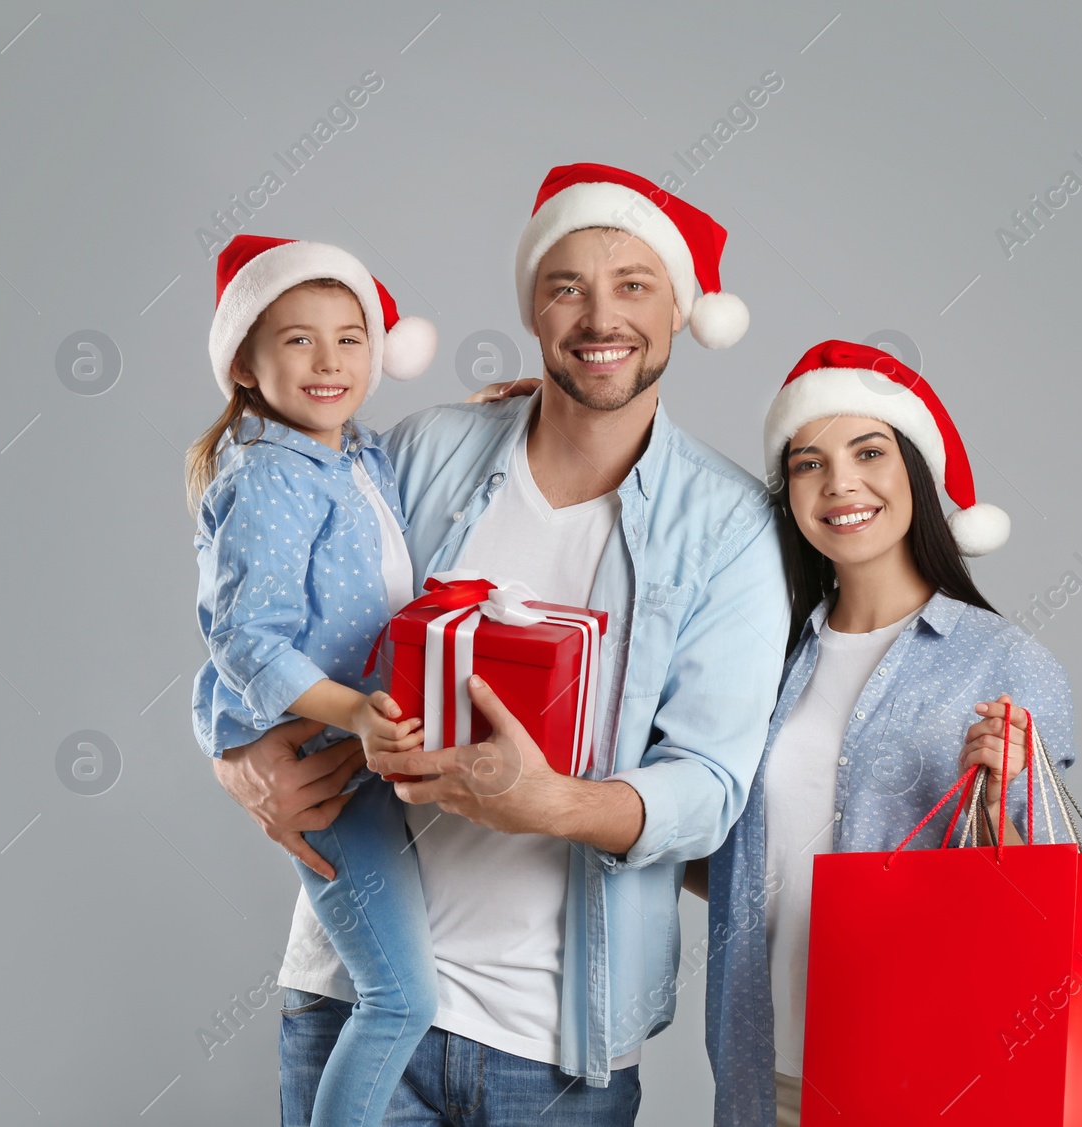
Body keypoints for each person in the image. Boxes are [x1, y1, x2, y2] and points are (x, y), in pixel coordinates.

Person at [209, 163, 788, 1125]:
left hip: (555, 1057)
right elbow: (264, 595)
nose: (602, 319)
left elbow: (713, 789)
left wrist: (550, 802)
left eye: (634, 286)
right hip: (354, 1007)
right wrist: (236, 762)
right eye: (569, 287)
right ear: (533, 307)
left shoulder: (729, 528)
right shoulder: (425, 449)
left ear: (682, 309)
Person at [695, 340, 1077, 1127]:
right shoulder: (766, 661)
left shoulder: (1004, 661)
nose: (841, 483)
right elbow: (742, 857)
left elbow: (1049, 910)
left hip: (919, 1079)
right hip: (762, 1075)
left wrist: (1008, 796)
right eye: (809, 462)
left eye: (869, 451)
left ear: (915, 471)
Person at [188, 234, 441, 1127]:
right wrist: (356, 714)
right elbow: (248, 642)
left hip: (364, 756)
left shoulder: (357, 455)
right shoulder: (266, 477)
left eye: (350, 337)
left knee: (401, 991)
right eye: (298, 339)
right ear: (247, 368)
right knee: (401, 999)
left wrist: (504, 406)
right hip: (333, 772)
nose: (329, 359)